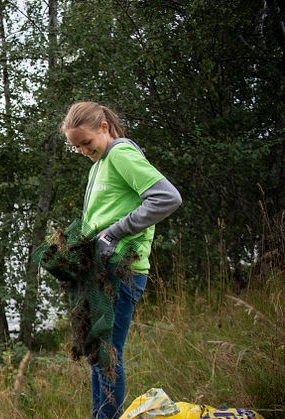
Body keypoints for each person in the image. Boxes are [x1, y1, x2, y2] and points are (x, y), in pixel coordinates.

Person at [61, 101, 182, 419]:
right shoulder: (97, 165)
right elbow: (99, 219)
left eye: (85, 143)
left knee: (107, 356)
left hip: (122, 270)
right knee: (97, 356)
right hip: (100, 270)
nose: (83, 151)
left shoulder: (121, 154)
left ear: (104, 127)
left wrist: (114, 234)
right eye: (76, 147)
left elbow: (167, 197)